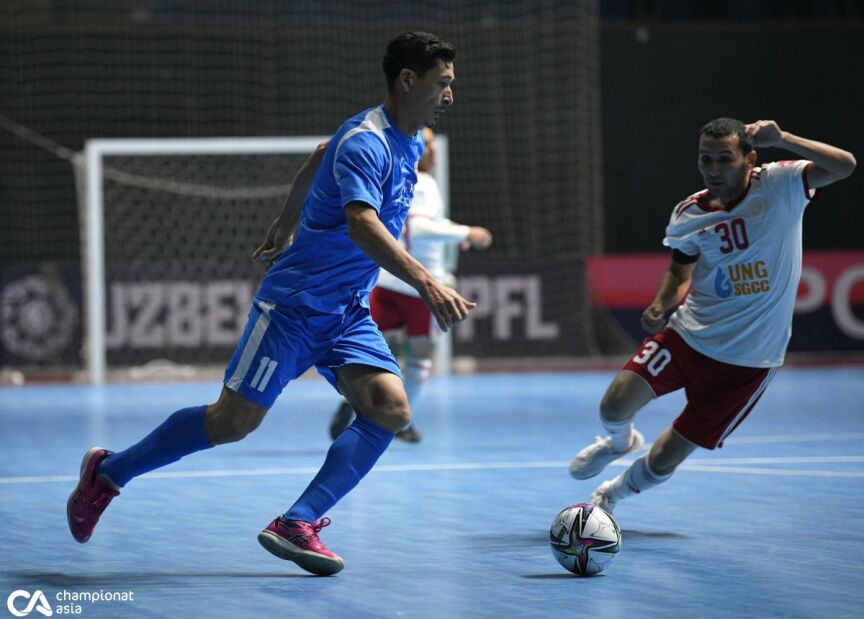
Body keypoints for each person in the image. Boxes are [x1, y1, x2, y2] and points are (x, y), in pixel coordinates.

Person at [67, 31, 472, 576]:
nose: (449, 95)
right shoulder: (368, 142)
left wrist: (285, 221)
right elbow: (361, 223)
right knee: (232, 423)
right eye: (442, 83)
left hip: (346, 312)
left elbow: (319, 155)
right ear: (407, 80)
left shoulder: (408, 141)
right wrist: (425, 281)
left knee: (391, 408)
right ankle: (108, 473)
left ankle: (297, 522)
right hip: (294, 308)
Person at [569, 118, 856, 513]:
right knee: (613, 406)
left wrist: (784, 138)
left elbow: (845, 165)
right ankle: (620, 442)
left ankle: (611, 494)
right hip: (690, 335)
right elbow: (679, 271)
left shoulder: (780, 184)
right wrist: (661, 303)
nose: (714, 169)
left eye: (725, 159)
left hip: (749, 360)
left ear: (749, 159)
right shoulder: (689, 213)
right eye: (706, 159)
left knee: (665, 458)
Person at [329, 127, 493, 443]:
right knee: (421, 356)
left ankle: (354, 400)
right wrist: (465, 233)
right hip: (419, 283)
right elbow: (417, 228)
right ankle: (401, 422)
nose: (432, 148)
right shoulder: (424, 181)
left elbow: (419, 224)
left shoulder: (397, 176)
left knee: (372, 351)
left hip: (387, 276)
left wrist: (452, 233)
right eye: (427, 142)